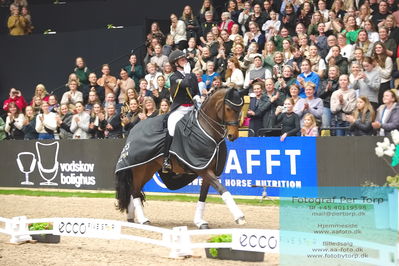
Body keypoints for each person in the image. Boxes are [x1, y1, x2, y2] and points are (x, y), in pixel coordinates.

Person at [162, 50, 200, 172]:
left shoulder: (192, 75)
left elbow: (195, 90)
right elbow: (185, 83)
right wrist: (188, 73)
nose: (185, 61)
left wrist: (198, 97)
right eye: (182, 59)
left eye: (185, 59)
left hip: (192, 108)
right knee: (172, 129)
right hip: (180, 109)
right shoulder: (174, 77)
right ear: (176, 63)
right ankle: (166, 159)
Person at [318, 65, 340, 131]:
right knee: (326, 126)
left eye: (333, 70)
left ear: (337, 72)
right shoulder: (323, 82)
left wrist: (331, 90)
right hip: (326, 105)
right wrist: (326, 91)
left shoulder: (340, 81)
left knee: (337, 127)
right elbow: (320, 95)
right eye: (330, 70)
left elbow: (340, 93)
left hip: (337, 106)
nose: (331, 72)